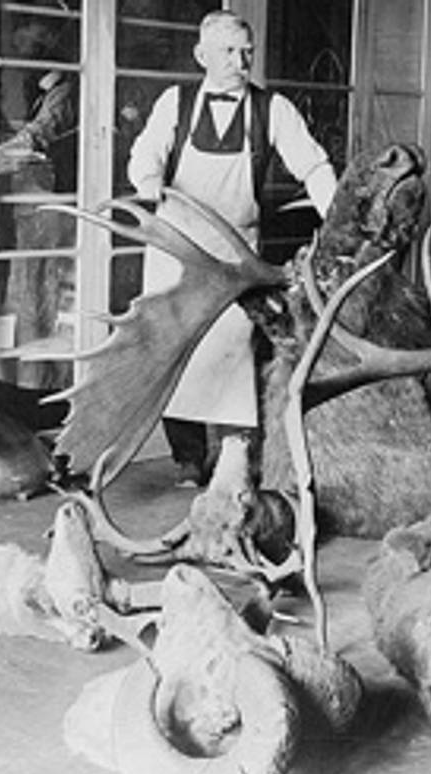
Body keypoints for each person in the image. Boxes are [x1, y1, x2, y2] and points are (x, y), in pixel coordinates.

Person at [128, 10, 337, 487]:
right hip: (175, 249)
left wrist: (336, 215)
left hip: (237, 252)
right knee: (175, 349)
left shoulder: (273, 109)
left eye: (247, 52)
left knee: (233, 351)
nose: (241, 61)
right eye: (228, 51)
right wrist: (150, 183)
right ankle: (187, 458)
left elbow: (314, 167)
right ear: (201, 55)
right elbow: (144, 156)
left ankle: (235, 457)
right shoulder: (174, 104)